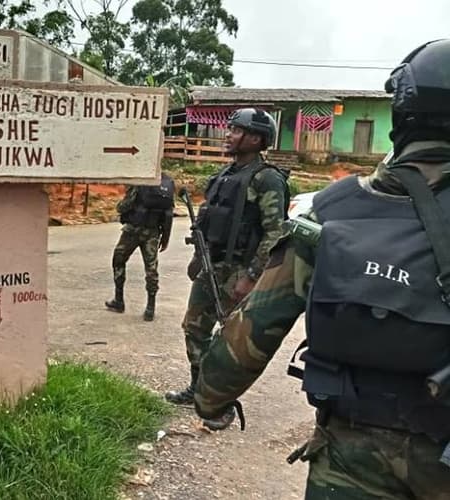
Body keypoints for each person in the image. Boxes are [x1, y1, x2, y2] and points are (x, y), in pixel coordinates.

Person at [194, 39, 450, 499]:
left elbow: (258, 325)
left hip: (353, 451)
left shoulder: (334, 209)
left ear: (403, 114)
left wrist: (210, 395)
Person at [165, 108, 290, 431]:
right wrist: (197, 257)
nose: (229, 135)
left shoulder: (267, 179)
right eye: (231, 129)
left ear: (255, 138)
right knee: (194, 327)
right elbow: (208, 218)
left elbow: (275, 232)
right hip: (212, 265)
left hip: (240, 270)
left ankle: (219, 403)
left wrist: (252, 276)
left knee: (230, 340)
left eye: (236, 130)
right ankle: (200, 389)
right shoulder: (224, 176)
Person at [104, 172, 175, 321]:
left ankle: (119, 301)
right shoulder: (167, 182)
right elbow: (168, 213)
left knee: (118, 260)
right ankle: (150, 308)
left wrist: (119, 207)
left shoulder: (141, 179)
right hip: (153, 232)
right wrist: (166, 237)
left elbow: (125, 205)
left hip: (133, 231)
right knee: (151, 269)